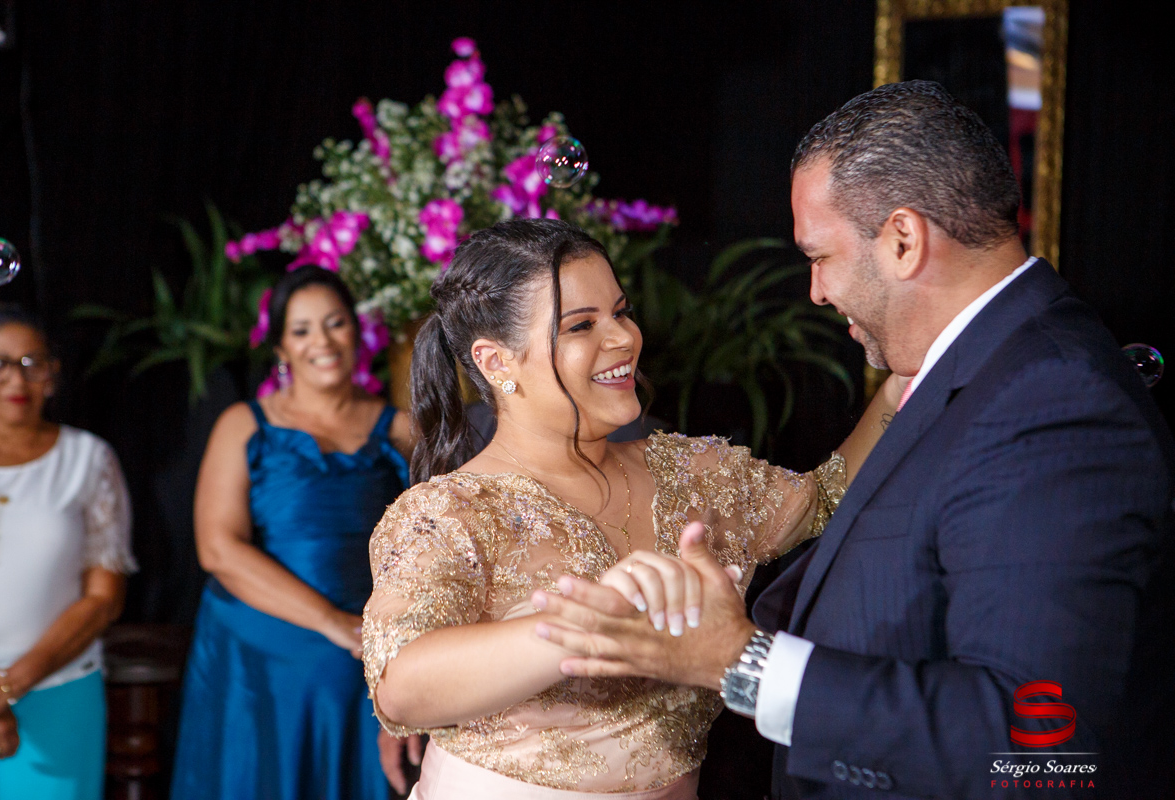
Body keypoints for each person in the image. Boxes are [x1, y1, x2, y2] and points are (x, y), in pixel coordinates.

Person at [534, 81, 1175, 799]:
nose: (815, 290)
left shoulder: (1052, 403)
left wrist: (741, 662)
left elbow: (1032, 745)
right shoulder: (978, 374)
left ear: (903, 240)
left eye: (820, 256)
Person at [361, 218, 905, 799]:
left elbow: (828, 498)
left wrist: (911, 368)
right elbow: (400, 687)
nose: (623, 338)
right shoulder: (448, 513)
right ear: (497, 362)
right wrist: (588, 627)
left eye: (621, 313)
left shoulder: (693, 474)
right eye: (581, 325)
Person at [170, 266, 412, 800]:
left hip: (363, 651)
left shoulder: (401, 430)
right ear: (281, 348)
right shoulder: (244, 425)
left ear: (357, 331)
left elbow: (432, 546)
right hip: (260, 653)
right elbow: (217, 549)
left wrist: (381, 635)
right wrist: (333, 623)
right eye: (301, 330)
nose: (321, 341)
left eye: (335, 323)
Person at [0, 304, 135, 800]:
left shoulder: (89, 459)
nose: (15, 379)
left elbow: (104, 597)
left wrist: (8, 686)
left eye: (32, 363)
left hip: (59, 686)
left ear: (53, 375)